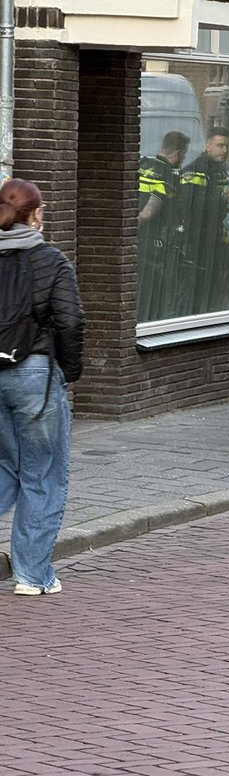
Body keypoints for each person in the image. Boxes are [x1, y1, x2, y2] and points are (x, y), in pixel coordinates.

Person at [0, 178, 85, 596]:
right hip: (35, 374)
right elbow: (70, 320)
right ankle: (32, 576)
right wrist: (68, 373)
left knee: (5, 469)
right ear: (34, 214)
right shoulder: (50, 260)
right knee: (43, 475)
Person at [179, 126, 229, 314]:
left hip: (215, 241)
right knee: (198, 290)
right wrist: (224, 198)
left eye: (227, 146)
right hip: (196, 242)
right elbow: (191, 205)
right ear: (207, 145)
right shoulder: (194, 171)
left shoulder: (221, 172)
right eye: (220, 145)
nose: (224, 150)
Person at [137, 130, 189, 321]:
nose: (183, 159)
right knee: (153, 289)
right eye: (183, 154)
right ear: (177, 152)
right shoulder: (167, 173)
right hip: (153, 242)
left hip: (136, 241)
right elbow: (150, 210)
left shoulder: (143, 164)